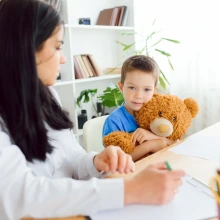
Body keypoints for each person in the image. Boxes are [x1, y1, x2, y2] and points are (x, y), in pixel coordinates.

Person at [0, 0, 185, 220]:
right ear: (26, 48)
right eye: (58, 46)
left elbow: (71, 157)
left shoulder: (48, 96)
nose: (64, 58)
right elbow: (20, 197)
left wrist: (96, 161)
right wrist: (131, 190)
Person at [103, 55, 175, 161]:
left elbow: (174, 144)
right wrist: (150, 145)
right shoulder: (114, 121)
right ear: (121, 87)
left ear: (154, 91)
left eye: (146, 89)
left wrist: (153, 136)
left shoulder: (159, 114)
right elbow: (116, 160)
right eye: (132, 87)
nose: (138, 96)